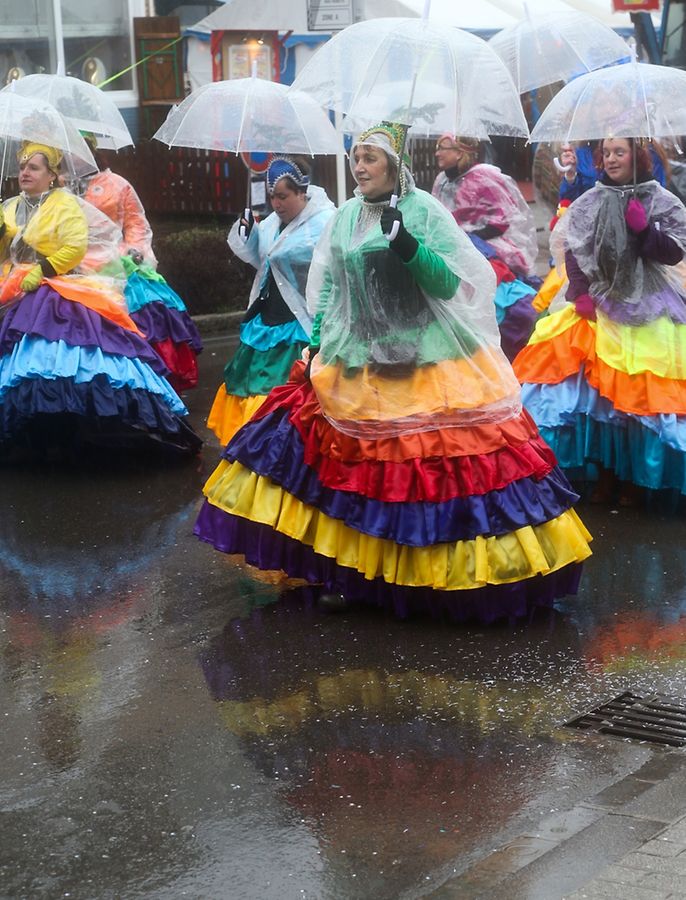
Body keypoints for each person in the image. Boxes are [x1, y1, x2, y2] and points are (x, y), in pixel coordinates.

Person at [194, 122, 592, 623]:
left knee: (417, 476)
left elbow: (454, 282)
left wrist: (408, 245)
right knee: (352, 477)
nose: (359, 166)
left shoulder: (422, 210)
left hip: (422, 360)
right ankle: (355, 575)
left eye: (370, 158)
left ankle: (427, 581)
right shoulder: (344, 219)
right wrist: (317, 341)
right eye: (356, 156)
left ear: (394, 164)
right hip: (355, 362)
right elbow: (330, 290)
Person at [0, 141, 201, 457]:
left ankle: (78, 424)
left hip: (59, 284)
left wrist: (44, 268)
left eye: (33, 167)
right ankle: (33, 429)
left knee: (58, 352)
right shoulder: (12, 206)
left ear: (52, 174)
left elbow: (77, 245)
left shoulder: (67, 202)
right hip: (15, 286)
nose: (25, 171)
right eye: (22, 166)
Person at [514, 137, 686, 504]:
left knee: (636, 398)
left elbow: (674, 251)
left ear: (635, 156)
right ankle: (605, 475)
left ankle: (633, 481)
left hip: (647, 305)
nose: (610, 159)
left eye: (618, 152)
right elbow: (573, 250)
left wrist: (645, 232)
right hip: (600, 302)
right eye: (605, 153)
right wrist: (580, 292)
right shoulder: (590, 199)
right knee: (599, 399)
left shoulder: (657, 197)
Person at [207, 156, 335, 446]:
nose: (277, 204)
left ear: (302, 193)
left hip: (299, 320)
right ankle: (250, 443)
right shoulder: (272, 224)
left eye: (283, 196)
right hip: (267, 315)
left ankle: (283, 445)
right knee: (251, 382)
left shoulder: (325, 221)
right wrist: (249, 233)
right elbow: (262, 259)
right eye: (273, 197)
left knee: (288, 388)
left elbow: (329, 266)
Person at [73, 136, 203, 393]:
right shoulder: (63, 189)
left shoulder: (118, 184)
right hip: (75, 270)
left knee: (144, 322)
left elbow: (135, 223)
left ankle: (147, 386)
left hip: (119, 265)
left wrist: (135, 252)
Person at [432, 134, 539, 360]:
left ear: (460, 152)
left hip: (489, 246)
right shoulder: (441, 180)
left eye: (443, 148)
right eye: (437, 147)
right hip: (454, 245)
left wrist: (469, 238)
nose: (437, 152)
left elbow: (503, 219)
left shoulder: (485, 177)